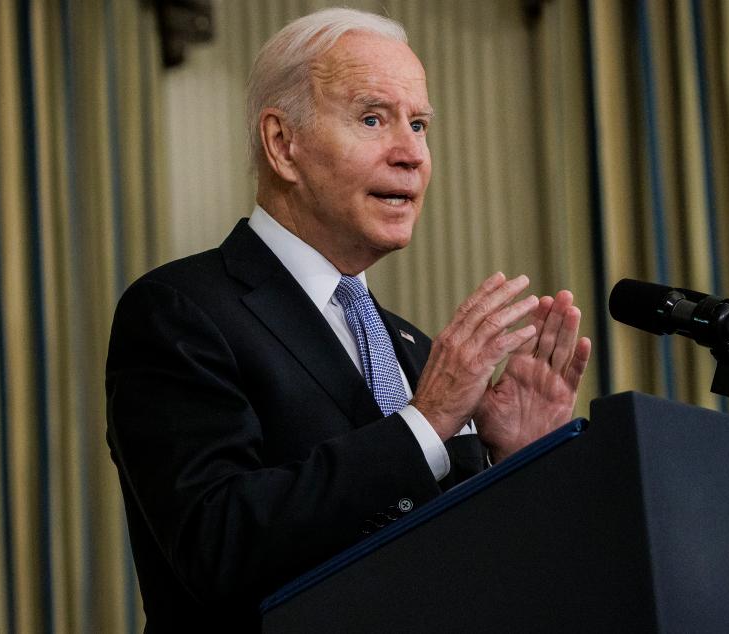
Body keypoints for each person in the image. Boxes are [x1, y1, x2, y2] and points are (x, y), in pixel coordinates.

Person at [105, 8, 591, 631]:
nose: (412, 154)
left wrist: (516, 463)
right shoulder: (183, 310)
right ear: (283, 145)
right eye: (372, 119)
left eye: (419, 125)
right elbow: (215, 543)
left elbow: (471, 570)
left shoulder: (414, 350)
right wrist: (426, 421)